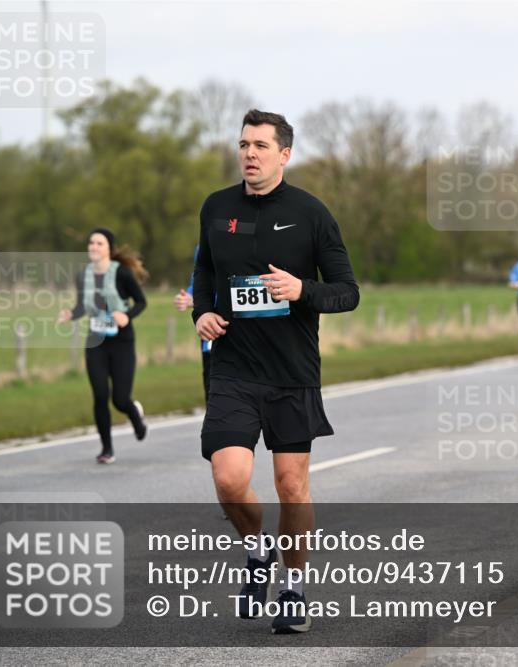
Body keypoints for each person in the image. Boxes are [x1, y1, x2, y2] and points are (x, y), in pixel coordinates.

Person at [192, 109, 359, 634]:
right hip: (234, 368)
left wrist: (301, 290)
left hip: (292, 372)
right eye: (244, 144)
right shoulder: (217, 208)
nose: (249, 154)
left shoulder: (311, 213)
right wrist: (202, 310)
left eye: (261, 146)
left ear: (284, 154)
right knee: (229, 477)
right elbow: (203, 270)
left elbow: (347, 291)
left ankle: (293, 586)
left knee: (291, 486)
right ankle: (258, 548)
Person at [58, 228, 149, 464]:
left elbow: (141, 302)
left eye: (99, 243)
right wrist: (71, 314)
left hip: (122, 342)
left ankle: (135, 417)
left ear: (109, 248)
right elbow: (82, 307)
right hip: (95, 342)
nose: (94, 247)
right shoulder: (83, 275)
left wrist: (127, 316)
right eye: (91, 243)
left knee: (119, 399)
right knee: (100, 395)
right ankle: (107, 449)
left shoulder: (122, 274)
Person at [174, 244, 212, 400]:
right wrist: (189, 297)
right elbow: (199, 281)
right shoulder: (205, 243)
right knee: (213, 396)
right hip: (213, 332)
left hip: (254, 332)